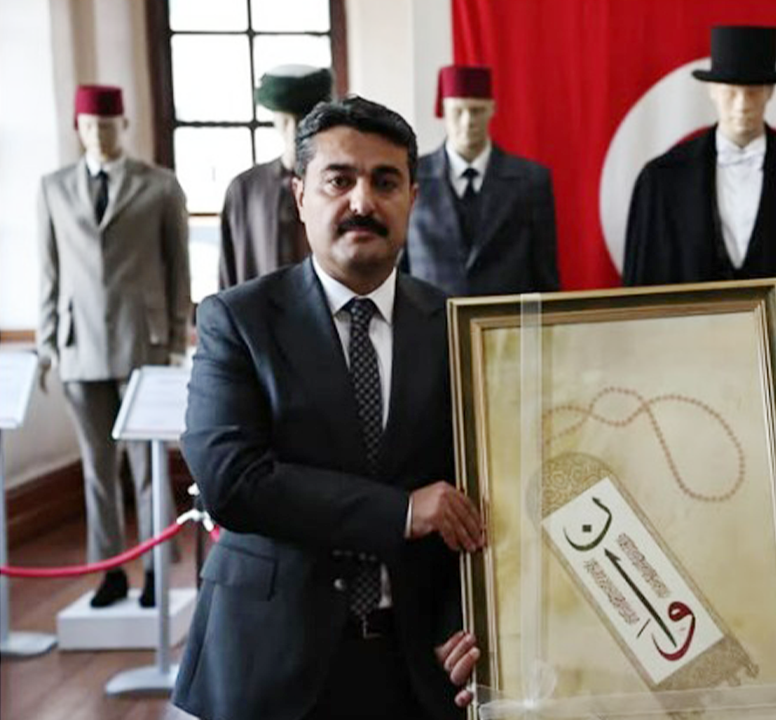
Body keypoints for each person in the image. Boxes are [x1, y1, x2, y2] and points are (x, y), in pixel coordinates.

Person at [175, 96, 481, 720]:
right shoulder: (238, 319)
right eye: (339, 181)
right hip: (270, 656)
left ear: (412, 199)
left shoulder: (456, 326)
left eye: (385, 182)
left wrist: (474, 622)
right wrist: (401, 511)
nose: (362, 202)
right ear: (300, 196)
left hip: (419, 662)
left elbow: (480, 493)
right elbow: (232, 482)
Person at [624, 25, 776, 473]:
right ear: (711, 92)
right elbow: (638, 303)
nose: (742, 104)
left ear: (770, 92)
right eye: (731, 92)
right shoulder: (660, 182)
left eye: (753, 92)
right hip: (684, 394)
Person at [36, 84, 190, 609]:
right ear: (77, 129)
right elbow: (49, 271)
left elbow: (178, 270)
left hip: (142, 343)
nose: (98, 135)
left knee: (149, 467)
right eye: (89, 127)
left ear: (123, 126)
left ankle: (155, 570)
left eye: (107, 126)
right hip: (78, 347)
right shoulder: (53, 188)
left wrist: (175, 338)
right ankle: (109, 573)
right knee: (96, 470)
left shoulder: (160, 186)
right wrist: (47, 341)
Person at [402, 64, 559, 295]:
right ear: (443, 111)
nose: (468, 122)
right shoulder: (410, 177)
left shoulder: (531, 181)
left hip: (506, 317)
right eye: (458, 111)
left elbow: (545, 277)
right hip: (429, 315)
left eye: (477, 110)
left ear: (492, 109)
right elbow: (399, 270)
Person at [218, 64, 333, 289]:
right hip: (256, 310)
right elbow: (228, 274)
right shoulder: (244, 189)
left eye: (302, 120)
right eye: (285, 121)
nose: (293, 130)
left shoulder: (337, 184)